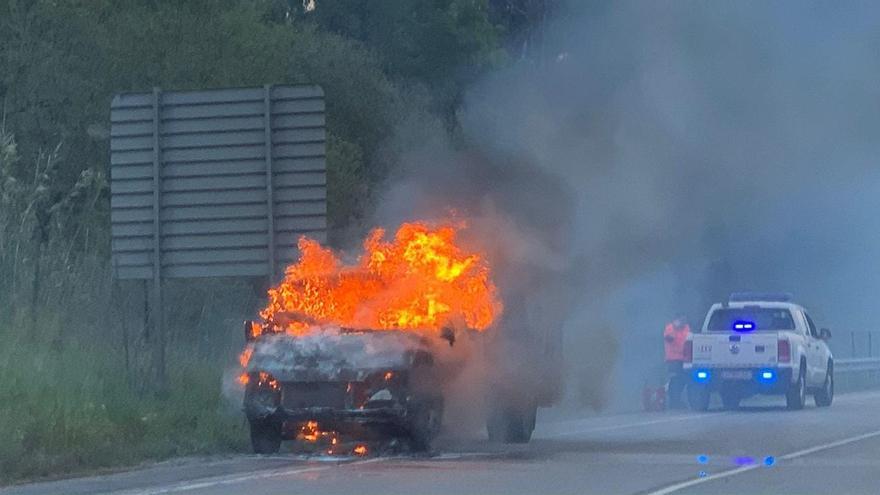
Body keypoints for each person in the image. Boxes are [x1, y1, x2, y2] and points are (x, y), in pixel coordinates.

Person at [664, 314, 691, 409]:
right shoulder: (670, 328)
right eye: (682, 319)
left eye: (685, 319)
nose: (684, 321)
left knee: (682, 380)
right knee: (675, 381)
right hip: (673, 359)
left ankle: (677, 401)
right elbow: (668, 338)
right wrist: (676, 327)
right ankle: (674, 402)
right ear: (677, 319)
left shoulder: (686, 328)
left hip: (685, 359)